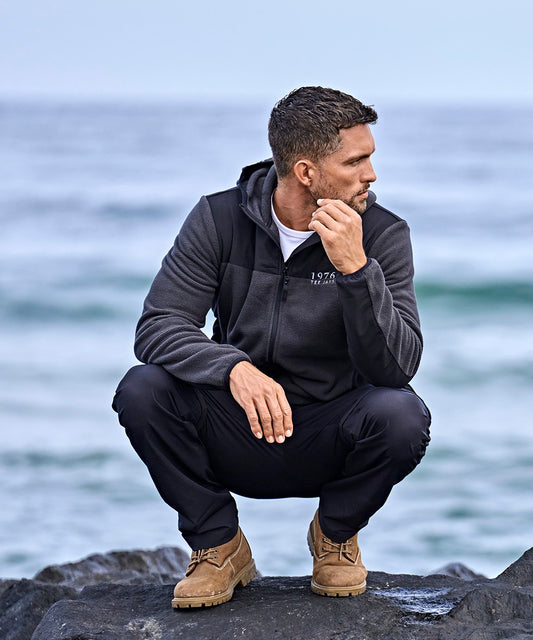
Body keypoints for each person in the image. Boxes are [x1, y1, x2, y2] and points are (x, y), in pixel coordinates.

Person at [112, 86, 431, 609]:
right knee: (142, 389)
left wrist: (356, 271)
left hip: (329, 433)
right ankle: (218, 546)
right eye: (355, 161)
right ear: (306, 171)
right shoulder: (219, 219)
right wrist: (232, 368)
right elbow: (158, 326)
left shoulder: (382, 234)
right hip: (238, 426)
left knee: (403, 415)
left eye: (369, 158)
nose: (371, 174)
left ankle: (335, 535)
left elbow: (397, 368)